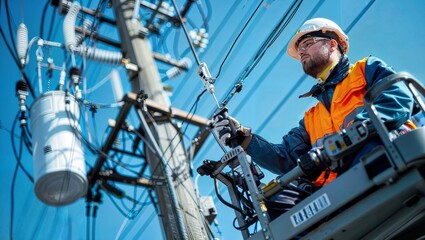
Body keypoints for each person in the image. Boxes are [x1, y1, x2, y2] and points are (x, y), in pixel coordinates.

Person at [213, 18, 414, 220]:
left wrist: (348, 138)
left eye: (307, 44)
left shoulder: (365, 69)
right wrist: (243, 138)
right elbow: (286, 159)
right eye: (300, 49)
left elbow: (397, 100)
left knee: (368, 148)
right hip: (339, 191)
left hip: (386, 155)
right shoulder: (311, 118)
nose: (302, 52)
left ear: (332, 44)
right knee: (276, 201)